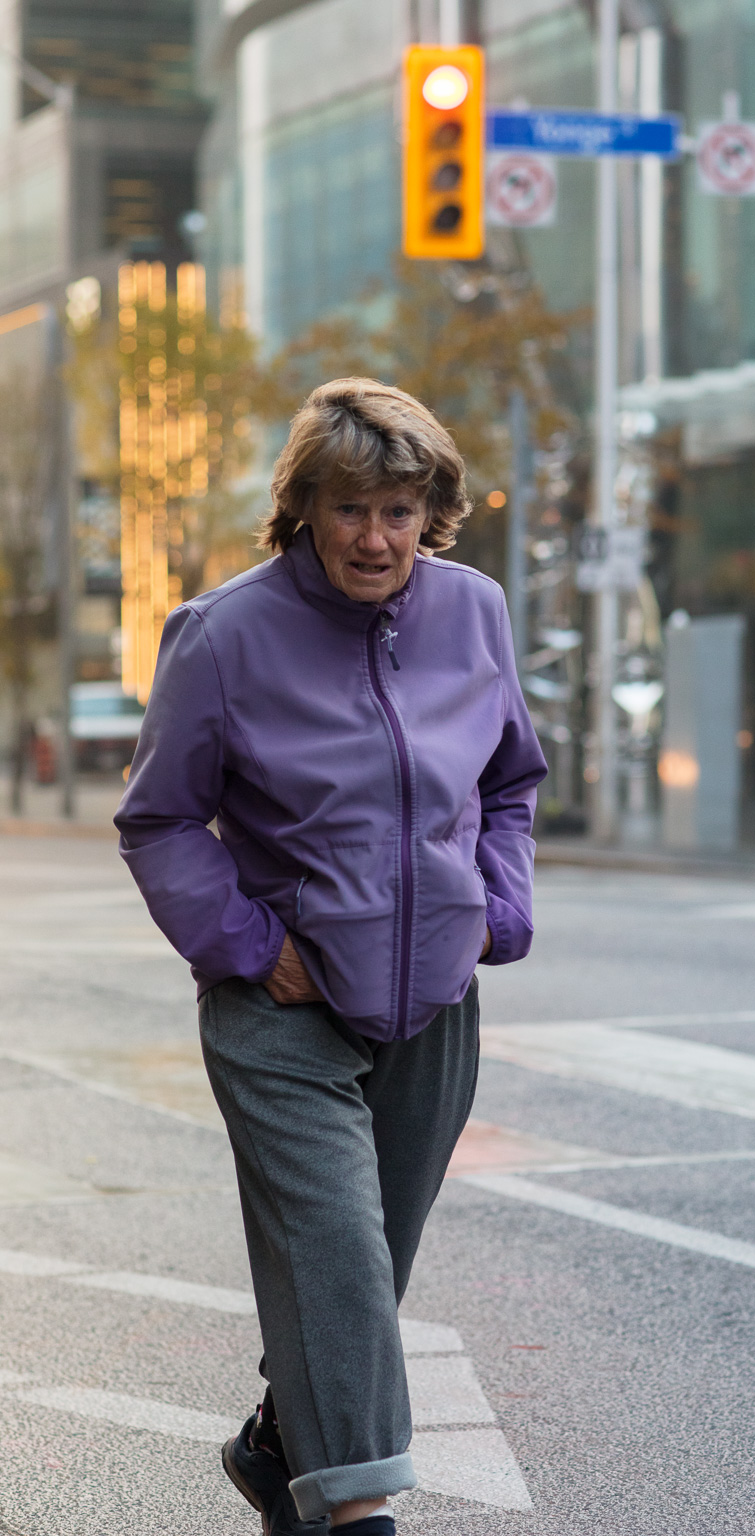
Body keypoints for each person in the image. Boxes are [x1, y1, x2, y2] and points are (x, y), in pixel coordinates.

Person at [115, 378, 548, 1536]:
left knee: (362, 1277)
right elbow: (157, 819)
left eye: (402, 509)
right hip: (285, 1007)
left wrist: (495, 912)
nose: (377, 536)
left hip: (431, 1006)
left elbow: (509, 779)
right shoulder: (224, 635)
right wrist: (252, 946)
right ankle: (359, 1520)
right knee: (343, 1265)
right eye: (352, 506)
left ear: (432, 513)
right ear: (303, 505)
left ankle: (275, 1445)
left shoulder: (474, 612)